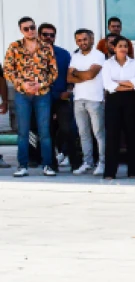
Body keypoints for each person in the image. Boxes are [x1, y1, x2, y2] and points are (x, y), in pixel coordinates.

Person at [4, 16, 57, 177]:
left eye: (32, 27)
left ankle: (47, 165)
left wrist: (41, 85)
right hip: (22, 94)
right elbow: (7, 70)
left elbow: (53, 72)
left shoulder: (46, 47)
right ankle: (22, 165)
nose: (30, 31)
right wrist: (22, 84)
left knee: (44, 131)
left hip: (42, 94)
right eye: (26, 28)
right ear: (21, 30)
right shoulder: (14, 47)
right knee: (23, 132)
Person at [100, 37, 135, 180]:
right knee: (112, 136)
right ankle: (110, 172)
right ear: (114, 48)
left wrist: (119, 84)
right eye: (120, 46)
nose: (123, 48)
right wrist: (127, 84)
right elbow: (108, 84)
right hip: (113, 102)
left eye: (125, 46)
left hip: (131, 101)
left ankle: (132, 170)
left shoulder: (134, 63)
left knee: (132, 135)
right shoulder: (107, 64)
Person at [38, 23, 78, 171]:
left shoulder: (63, 53)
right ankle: (50, 163)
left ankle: (75, 163)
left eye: (52, 35)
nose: (48, 38)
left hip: (62, 97)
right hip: (41, 98)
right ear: (39, 35)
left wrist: (69, 89)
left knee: (68, 129)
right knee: (46, 132)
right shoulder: (32, 54)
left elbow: (71, 74)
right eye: (45, 34)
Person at [68, 29, 105, 176]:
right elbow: (69, 78)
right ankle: (88, 162)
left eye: (85, 39)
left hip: (95, 99)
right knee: (83, 133)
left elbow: (91, 74)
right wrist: (83, 75)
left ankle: (102, 162)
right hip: (78, 99)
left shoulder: (99, 55)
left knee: (99, 133)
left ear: (92, 39)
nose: (82, 42)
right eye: (79, 40)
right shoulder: (75, 56)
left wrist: (77, 73)